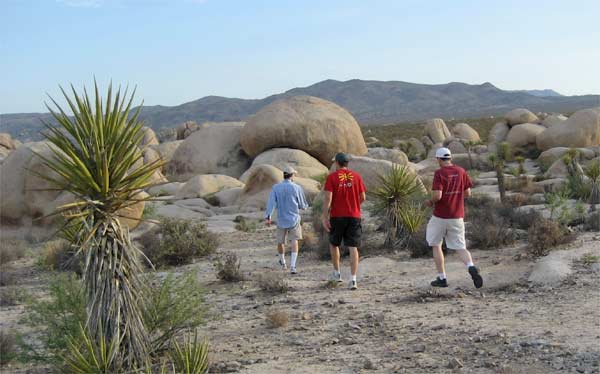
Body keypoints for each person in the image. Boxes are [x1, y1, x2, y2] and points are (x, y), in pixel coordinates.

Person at [424, 147, 483, 288]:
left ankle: (442, 278)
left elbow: (437, 195)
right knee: (460, 247)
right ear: (450, 158)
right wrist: (455, 197)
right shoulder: (461, 171)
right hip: (457, 216)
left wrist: (430, 202)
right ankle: (471, 267)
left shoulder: (439, 173)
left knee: (435, 244)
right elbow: (468, 193)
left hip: (440, 215)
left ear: (438, 159)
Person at [322, 153, 366, 290]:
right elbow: (363, 196)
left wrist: (324, 216)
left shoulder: (332, 178)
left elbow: (328, 199)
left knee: (334, 244)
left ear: (337, 163)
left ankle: (337, 273)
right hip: (354, 215)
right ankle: (353, 279)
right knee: (353, 247)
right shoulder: (357, 177)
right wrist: (355, 205)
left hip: (337, 216)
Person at [265, 166, 309, 274]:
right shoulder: (296, 187)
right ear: (292, 175)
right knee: (294, 241)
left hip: (281, 219)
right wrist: (304, 207)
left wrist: (268, 217)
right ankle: (293, 266)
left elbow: (271, 203)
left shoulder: (276, 187)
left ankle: (283, 263)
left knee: (281, 242)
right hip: (294, 218)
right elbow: (302, 204)